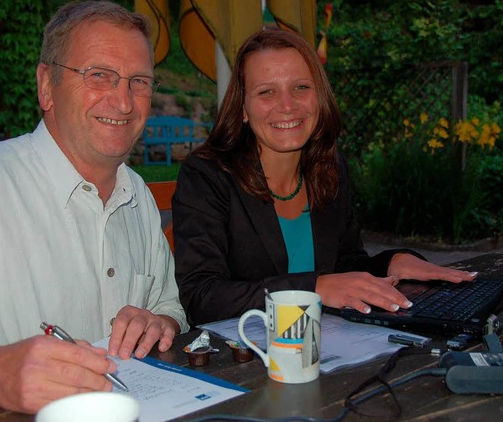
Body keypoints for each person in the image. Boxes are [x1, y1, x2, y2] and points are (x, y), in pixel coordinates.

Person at [0, 0, 188, 414]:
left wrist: (161, 322)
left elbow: (168, 305)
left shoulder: (137, 194)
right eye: (99, 75)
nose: (123, 102)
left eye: (139, 81)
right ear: (47, 86)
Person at [172, 28, 478, 327]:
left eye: (301, 87)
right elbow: (201, 297)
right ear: (242, 109)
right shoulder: (206, 175)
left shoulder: (329, 168)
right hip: (244, 357)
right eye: (266, 91)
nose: (287, 105)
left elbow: (344, 266)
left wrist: (391, 263)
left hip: (325, 346)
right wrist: (312, 288)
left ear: (319, 97)